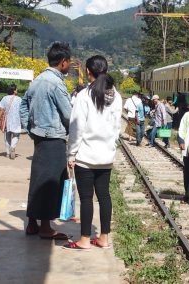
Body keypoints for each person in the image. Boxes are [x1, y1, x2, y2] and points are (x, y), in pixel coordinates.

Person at [64, 55, 122, 250]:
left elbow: (76, 129)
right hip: (106, 157)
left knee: (86, 198)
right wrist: (111, 147)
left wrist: (71, 154)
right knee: (104, 196)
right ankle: (104, 238)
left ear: (88, 72)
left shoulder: (84, 96)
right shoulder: (117, 96)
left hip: (86, 157)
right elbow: (117, 128)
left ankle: (85, 240)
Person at [20, 41, 72, 239]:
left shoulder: (37, 80)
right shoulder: (56, 83)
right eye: (69, 62)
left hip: (40, 138)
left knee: (37, 180)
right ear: (63, 62)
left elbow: (23, 106)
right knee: (52, 182)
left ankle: (32, 223)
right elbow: (68, 114)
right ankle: (46, 227)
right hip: (54, 139)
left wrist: (30, 128)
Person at [0, 84, 22, 159]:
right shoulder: (19, 99)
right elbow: (22, 110)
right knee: (16, 135)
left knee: (7, 136)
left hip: (7, 120)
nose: (17, 91)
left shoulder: (5, 98)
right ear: (14, 90)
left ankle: (8, 153)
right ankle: (13, 146)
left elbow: (1, 109)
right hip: (16, 120)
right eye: (16, 89)